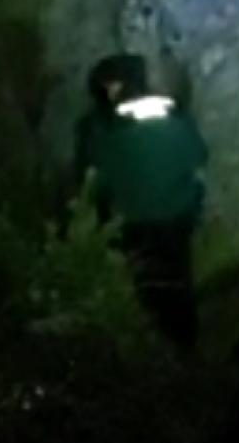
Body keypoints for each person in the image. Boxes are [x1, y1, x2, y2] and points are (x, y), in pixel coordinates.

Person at [75, 53, 208, 348]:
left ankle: (154, 354)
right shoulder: (177, 119)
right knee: (179, 290)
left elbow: (92, 180)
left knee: (145, 294)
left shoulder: (98, 129)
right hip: (176, 221)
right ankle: (186, 352)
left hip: (131, 224)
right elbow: (198, 160)